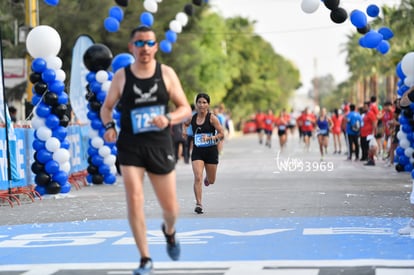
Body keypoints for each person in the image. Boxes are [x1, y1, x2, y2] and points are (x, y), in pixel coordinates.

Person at [100, 25, 192, 275]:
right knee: (135, 199)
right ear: (131, 47)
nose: (145, 48)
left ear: (156, 46)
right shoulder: (122, 76)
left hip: (160, 145)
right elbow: (107, 107)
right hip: (131, 145)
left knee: (171, 209)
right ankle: (145, 259)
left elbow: (185, 108)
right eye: (139, 43)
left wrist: (169, 118)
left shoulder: (167, 74)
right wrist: (109, 126)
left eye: (149, 43)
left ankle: (169, 232)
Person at [183, 93, 224, 214]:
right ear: (196, 104)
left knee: (211, 180)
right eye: (199, 102)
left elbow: (222, 134)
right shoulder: (192, 118)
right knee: (197, 177)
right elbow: (184, 124)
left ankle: (208, 179)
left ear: (208, 105)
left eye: (204, 102)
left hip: (211, 151)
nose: (201, 104)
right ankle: (199, 204)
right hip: (197, 151)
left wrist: (210, 138)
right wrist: (184, 132)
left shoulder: (212, 118)